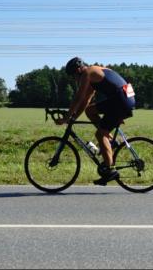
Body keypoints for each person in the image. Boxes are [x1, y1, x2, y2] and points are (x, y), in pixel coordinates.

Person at [57, 57, 137, 185]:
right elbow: (85, 101)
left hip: (122, 100)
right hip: (124, 97)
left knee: (100, 134)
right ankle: (111, 141)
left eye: (73, 76)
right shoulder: (93, 73)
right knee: (90, 110)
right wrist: (73, 118)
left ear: (78, 70)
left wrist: (66, 117)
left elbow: (78, 97)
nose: (74, 79)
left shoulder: (88, 73)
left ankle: (110, 170)